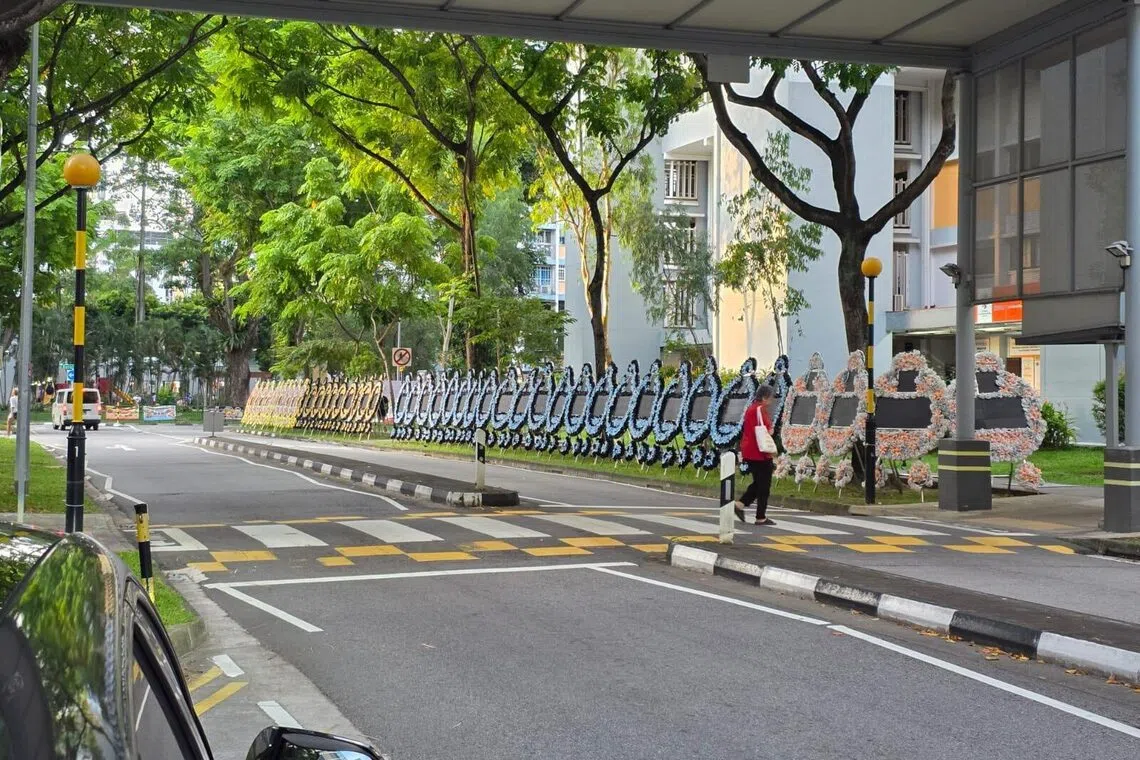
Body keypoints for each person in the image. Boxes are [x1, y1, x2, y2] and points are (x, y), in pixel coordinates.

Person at [734, 384, 778, 526]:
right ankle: (760, 516)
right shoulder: (759, 409)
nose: (771, 400)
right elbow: (762, 429)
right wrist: (770, 431)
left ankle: (741, 504)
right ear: (764, 397)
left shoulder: (752, 408)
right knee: (764, 484)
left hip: (751, 450)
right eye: (770, 397)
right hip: (759, 451)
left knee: (759, 482)